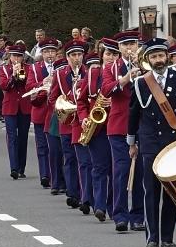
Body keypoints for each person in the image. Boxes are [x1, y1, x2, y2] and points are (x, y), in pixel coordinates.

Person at [127, 37, 176, 247]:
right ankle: (152, 237)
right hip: (149, 141)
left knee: (171, 191)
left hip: (173, 141)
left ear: (167, 57)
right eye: (154, 56)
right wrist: (131, 142)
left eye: (161, 55)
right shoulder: (141, 83)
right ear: (148, 59)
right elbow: (133, 115)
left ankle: (167, 236)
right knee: (151, 191)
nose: (158, 59)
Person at [101, 31, 144, 232]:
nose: (129, 48)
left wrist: (141, 71)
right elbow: (106, 90)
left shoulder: (145, 64)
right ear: (119, 48)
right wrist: (126, 78)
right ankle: (120, 215)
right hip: (119, 126)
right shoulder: (111, 68)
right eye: (125, 45)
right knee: (121, 171)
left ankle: (138, 216)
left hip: (142, 125)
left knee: (141, 173)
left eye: (132, 44)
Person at [74, 49, 111, 220]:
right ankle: (100, 206)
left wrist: (114, 102)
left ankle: (113, 207)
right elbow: (81, 101)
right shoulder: (93, 74)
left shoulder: (124, 74)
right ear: (102, 56)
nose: (111, 57)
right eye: (108, 54)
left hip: (118, 127)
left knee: (116, 171)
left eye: (114, 54)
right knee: (99, 167)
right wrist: (83, 118)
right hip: (97, 128)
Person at [51, 41, 87, 207]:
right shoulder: (60, 74)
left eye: (79, 54)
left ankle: (85, 194)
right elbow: (52, 97)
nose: (77, 58)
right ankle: (73, 193)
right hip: (67, 123)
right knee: (70, 158)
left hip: (84, 123)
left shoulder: (89, 72)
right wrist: (61, 107)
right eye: (73, 55)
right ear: (67, 57)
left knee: (84, 160)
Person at [25, 39, 59, 187]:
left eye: (52, 51)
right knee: (42, 146)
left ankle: (56, 177)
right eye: (46, 52)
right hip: (40, 110)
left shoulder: (60, 67)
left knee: (56, 148)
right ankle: (45, 175)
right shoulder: (35, 68)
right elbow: (29, 86)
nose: (50, 54)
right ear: (42, 53)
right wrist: (43, 83)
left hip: (56, 112)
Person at [0, 42, 31, 180]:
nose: (16, 59)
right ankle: (14, 168)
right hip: (10, 107)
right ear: (10, 56)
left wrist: (20, 71)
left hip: (24, 106)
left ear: (23, 57)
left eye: (19, 56)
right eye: (14, 56)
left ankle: (21, 168)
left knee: (23, 137)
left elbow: (25, 84)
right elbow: (4, 86)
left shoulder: (28, 68)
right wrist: (13, 74)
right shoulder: (4, 69)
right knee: (12, 137)